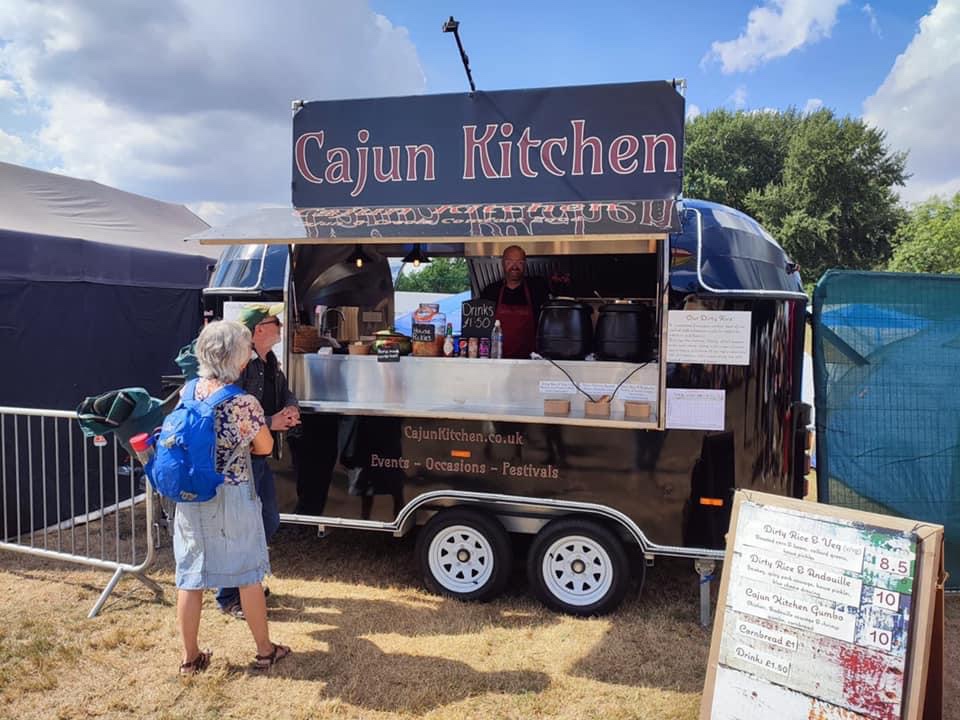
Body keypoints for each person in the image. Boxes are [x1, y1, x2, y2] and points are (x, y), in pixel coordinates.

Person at [174, 320, 291, 675]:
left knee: (190, 576)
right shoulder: (243, 402)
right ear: (238, 359)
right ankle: (264, 651)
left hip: (192, 492)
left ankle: (190, 658)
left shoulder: (188, 391)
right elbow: (264, 447)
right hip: (233, 492)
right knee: (247, 573)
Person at [215, 303, 301, 618]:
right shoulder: (240, 366)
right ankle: (230, 596)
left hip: (258, 457)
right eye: (276, 321)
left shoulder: (271, 360)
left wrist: (291, 408)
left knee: (267, 521)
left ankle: (245, 583)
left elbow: (286, 392)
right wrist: (270, 421)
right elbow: (229, 412)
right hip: (239, 461)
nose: (281, 326)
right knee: (243, 528)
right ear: (259, 330)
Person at [480, 245, 550, 359]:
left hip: (530, 361)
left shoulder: (537, 289)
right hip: (497, 360)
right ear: (502, 264)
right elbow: (481, 329)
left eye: (519, 262)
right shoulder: (490, 291)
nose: (514, 266)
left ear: (525, 264)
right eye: (509, 262)